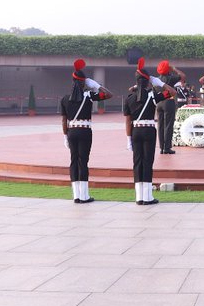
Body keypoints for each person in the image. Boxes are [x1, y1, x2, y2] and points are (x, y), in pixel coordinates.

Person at [62, 59, 111, 204]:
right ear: (84, 83)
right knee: (83, 161)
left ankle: (76, 195)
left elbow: (64, 120)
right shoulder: (89, 96)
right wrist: (95, 85)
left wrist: (65, 136)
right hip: (84, 132)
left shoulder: (65, 99)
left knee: (73, 161)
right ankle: (84, 196)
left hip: (71, 132)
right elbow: (108, 94)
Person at [123, 58, 170, 205]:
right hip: (149, 131)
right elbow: (172, 92)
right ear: (148, 81)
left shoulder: (129, 99)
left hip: (135, 131)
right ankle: (148, 197)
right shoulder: (153, 96)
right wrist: (159, 83)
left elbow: (127, 121)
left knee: (137, 162)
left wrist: (128, 139)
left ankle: (139, 197)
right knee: (148, 162)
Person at [155, 60, 187, 154]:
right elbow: (183, 76)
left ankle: (161, 148)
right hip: (168, 102)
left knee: (160, 125)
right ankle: (167, 148)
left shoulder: (156, 79)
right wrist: (174, 68)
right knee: (168, 125)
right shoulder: (171, 78)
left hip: (159, 103)